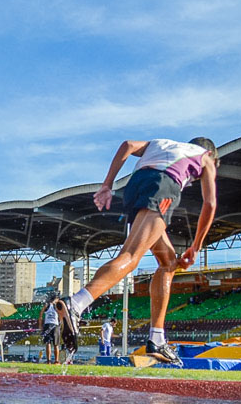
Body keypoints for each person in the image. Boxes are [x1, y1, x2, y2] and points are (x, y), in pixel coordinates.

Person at [58, 137, 219, 365]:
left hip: (135, 185)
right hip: (163, 186)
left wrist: (107, 185)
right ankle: (76, 304)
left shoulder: (161, 143)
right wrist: (196, 245)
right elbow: (210, 203)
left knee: (168, 263)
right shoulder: (206, 157)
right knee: (131, 257)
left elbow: (127, 145)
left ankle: (157, 338)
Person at [37, 294, 60, 365]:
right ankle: (56, 361)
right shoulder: (57, 306)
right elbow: (61, 317)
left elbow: (40, 316)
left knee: (48, 343)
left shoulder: (46, 305)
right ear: (56, 299)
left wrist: (40, 326)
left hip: (47, 325)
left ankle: (49, 361)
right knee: (56, 344)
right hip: (55, 326)